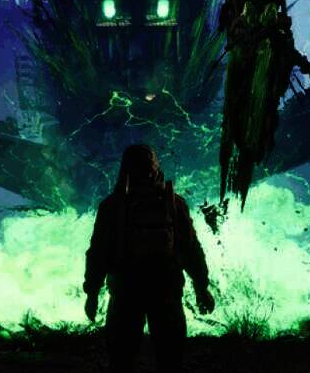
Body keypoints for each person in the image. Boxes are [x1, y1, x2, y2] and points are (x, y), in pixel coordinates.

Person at [83, 144, 215, 372]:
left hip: (126, 291)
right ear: (156, 168)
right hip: (166, 290)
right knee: (170, 360)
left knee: (121, 361)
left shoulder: (112, 206)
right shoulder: (174, 203)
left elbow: (98, 253)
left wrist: (92, 293)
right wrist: (201, 287)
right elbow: (191, 250)